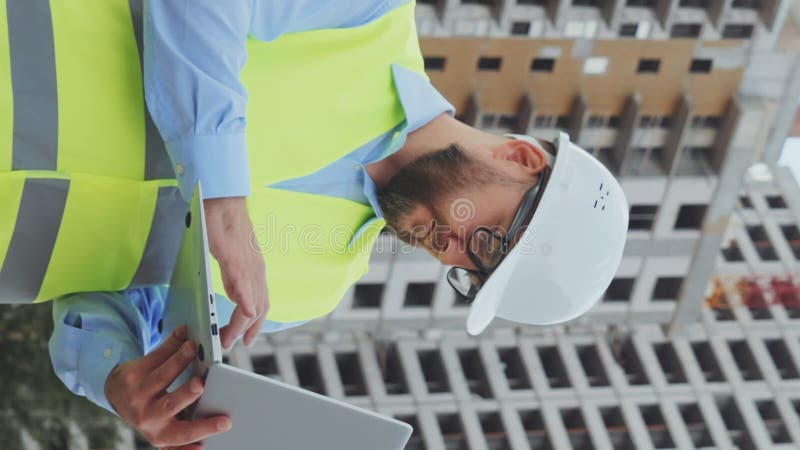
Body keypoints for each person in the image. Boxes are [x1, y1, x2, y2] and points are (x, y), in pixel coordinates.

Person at [0, 0, 626, 448]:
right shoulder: (373, 18)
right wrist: (223, 198)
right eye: (487, 241)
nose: (454, 255)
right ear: (519, 159)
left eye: (472, 274)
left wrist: (122, 381)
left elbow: (109, 305)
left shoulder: (311, 291)